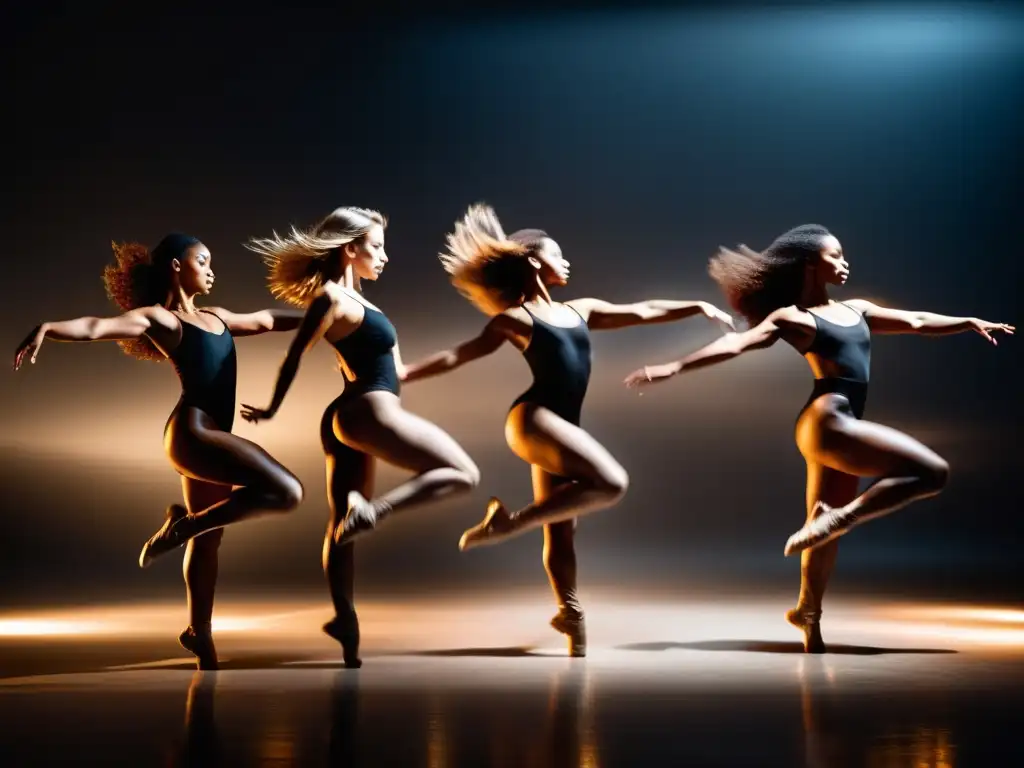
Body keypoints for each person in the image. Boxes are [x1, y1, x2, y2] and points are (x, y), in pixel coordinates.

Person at [625, 224, 1013, 652]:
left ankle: (808, 614)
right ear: (811, 264)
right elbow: (737, 346)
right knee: (930, 472)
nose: (845, 263)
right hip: (828, 422)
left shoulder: (858, 310)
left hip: (835, 424)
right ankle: (838, 516)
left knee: (822, 531)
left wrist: (967, 322)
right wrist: (674, 367)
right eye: (836, 255)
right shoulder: (794, 318)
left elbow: (917, 321)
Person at [400, 203, 734, 656]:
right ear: (535, 262)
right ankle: (508, 524)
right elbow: (458, 355)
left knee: (561, 529)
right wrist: (405, 373)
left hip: (560, 425)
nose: (567, 261)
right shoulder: (516, 320)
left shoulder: (582, 310)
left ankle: (570, 614)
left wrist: (696, 306)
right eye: (559, 254)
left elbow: (643, 310)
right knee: (612, 482)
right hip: (534, 420)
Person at [13, 233, 306, 668]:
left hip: (209, 440)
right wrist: (48, 329)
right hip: (192, 435)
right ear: (174, 265)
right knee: (287, 491)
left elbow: (265, 319)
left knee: (210, 541)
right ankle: (182, 528)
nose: (211, 269)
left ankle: (197, 633)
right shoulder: (161, 320)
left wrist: (321, 316)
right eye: (202, 260)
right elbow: (98, 327)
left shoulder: (218, 316)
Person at [241, 207, 480, 668]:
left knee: (340, 525)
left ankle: (344, 620)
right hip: (368, 409)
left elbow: (401, 370)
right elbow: (294, 356)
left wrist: (458, 356)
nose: (385, 256)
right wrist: (271, 408)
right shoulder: (332, 298)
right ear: (350, 249)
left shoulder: (364, 304)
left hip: (346, 414)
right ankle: (374, 512)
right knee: (463, 473)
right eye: (377, 246)